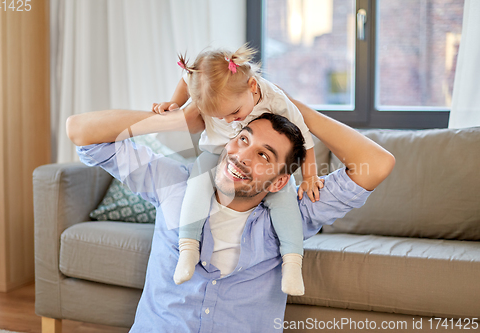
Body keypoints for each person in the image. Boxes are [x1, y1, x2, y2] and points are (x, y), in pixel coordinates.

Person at [66, 99, 395, 332]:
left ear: (280, 181)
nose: (241, 157)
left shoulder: (296, 212)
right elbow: (80, 132)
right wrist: (178, 120)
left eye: (262, 155)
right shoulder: (174, 184)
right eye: (242, 140)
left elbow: (378, 164)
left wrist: (293, 107)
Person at [152, 45, 323, 295]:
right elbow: (186, 79)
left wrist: (310, 176)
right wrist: (175, 103)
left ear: (252, 86)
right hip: (216, 152)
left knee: (284, 197)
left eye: (234, 113)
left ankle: (293, 262)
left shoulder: (274, 98)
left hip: (253, 161)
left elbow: (304, 137)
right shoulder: (203, 81)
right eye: (220, 117)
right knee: (197, 184)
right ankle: (188, 248)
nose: (230, 121)